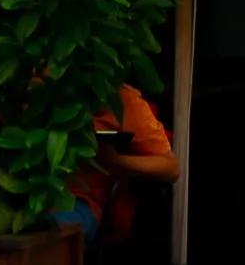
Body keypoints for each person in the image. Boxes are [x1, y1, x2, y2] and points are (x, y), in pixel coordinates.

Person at [66, 82, 175, 232]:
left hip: (82, 202)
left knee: (52, 230)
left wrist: (116, 159)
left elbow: (171, 168)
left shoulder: (124, 99)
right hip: (37, 197)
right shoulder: (42, 84)